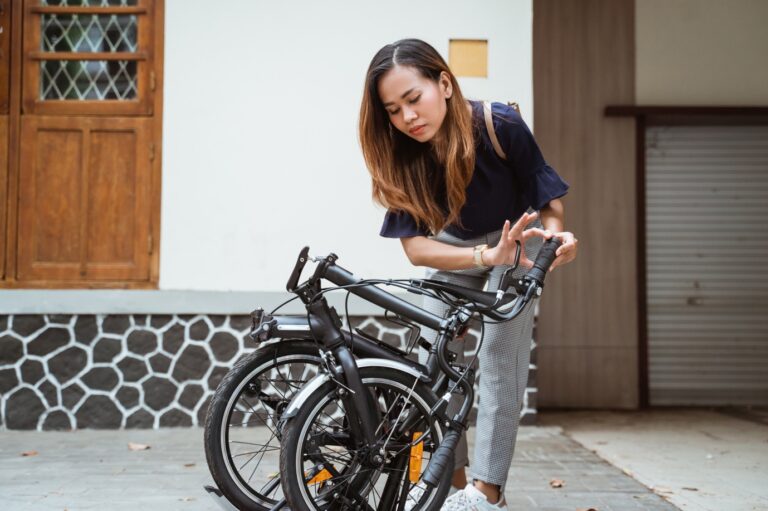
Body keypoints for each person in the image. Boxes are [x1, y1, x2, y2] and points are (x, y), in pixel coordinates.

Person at [358, 39, 578, 510]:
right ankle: (449, 483)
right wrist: (483, 256)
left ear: (444, 83)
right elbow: (417, 249)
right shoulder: (401, 153)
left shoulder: (500, 125)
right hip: (463, 254)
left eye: (414, 100)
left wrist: (555, 238)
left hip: (519, 248)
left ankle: (486, 492)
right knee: (433, 356)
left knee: (501, 361)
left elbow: (548, 199)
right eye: (393, 110)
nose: (407, 118)